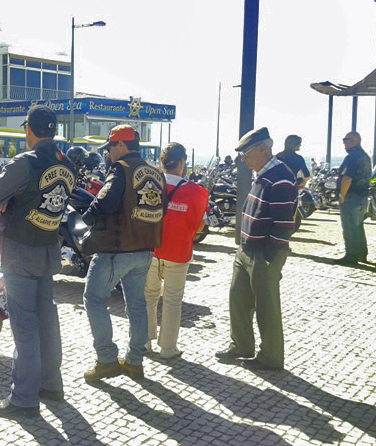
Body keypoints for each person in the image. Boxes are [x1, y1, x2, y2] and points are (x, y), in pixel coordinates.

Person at [0, 105, 76, 419]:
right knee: (47, 320)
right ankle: (52, 384)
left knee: (24, 326)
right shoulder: (67, 162)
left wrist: (10, 200)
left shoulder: (24, 162)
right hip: (48, 249)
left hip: (19, 250)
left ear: (28, 129)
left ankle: (24, 399)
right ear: (55, 130)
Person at [81, 125, 166, 381]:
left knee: (94, 298)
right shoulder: (156, 172)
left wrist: (88, 219)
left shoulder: (121, 169)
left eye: (110, 147)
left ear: (121, 145)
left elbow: (104, 201)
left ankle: (107, 359)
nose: (108, 153)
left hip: (117, 248)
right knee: (137, 305)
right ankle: (134, 362)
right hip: (145, 249)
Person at [215, 127, 297, 371]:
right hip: (247, 248)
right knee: (238, 299)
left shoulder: (280, 176)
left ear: (262, 149)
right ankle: (241, 346)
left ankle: (271, 357)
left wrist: (269, 255)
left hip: (263, 253)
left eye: (246, 153)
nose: (243, 159)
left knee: (266, 306)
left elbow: (285, 223)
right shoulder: (263, 173)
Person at [144, 143, 209, 359]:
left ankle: (145, 343)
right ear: (182, 162)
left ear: (162, 162)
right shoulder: (197, 192)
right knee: (172, 300)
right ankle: (168, 349)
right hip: (179, 253)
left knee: (148, 297)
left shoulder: (149, 185)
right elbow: (200, 225)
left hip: (151, 250)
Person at [334, 131, 372, 265]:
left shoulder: (353, 156)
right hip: (362, 196)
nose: (344, 142)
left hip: (351, 196)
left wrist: (342, 195)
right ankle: (362, 254)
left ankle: (351, 256)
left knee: (349, 227)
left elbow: (347, 178)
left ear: (354, 141)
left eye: (346, 140)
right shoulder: (365, 156)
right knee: (358, 226)